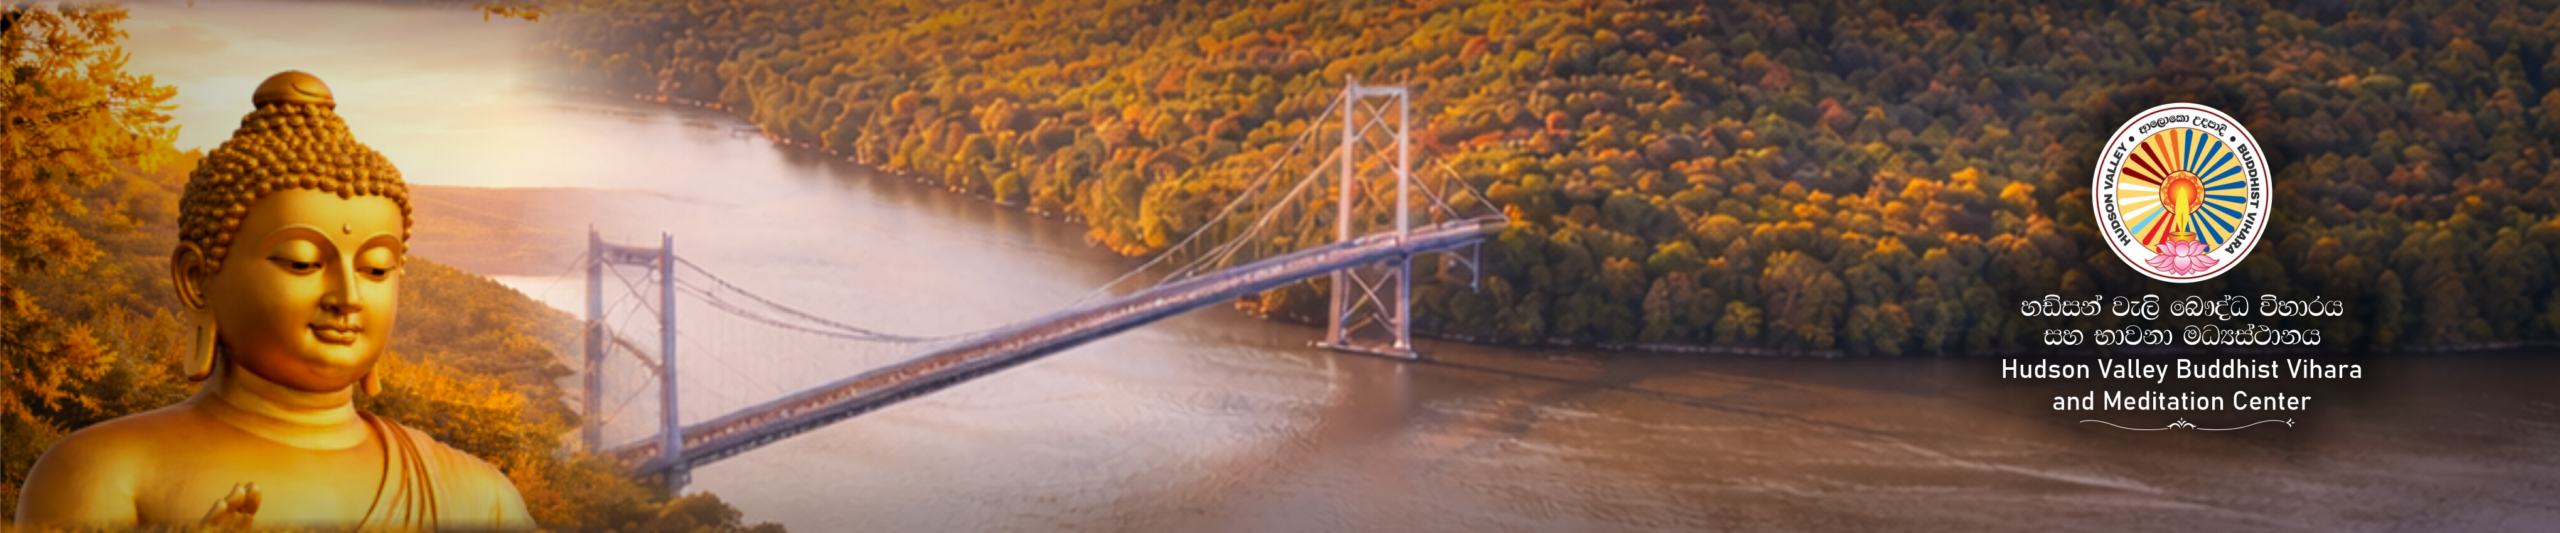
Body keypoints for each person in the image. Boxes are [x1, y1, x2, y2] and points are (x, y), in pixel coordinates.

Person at [14, 71, 535, 531]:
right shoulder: (102, 473)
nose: (348, 297)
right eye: (303, 262)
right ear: (198, 279)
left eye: (377, 268)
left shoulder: (478, 495)